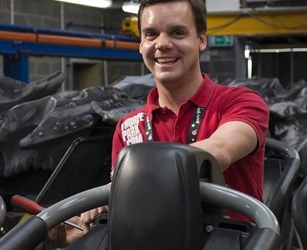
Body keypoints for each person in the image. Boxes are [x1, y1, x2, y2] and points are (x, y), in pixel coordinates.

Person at [48, 0, 269, 246]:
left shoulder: (240, 102)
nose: (162, 44)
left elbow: (221, 150)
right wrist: (90, 234)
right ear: (141, 45)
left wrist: (125, 186)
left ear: (202, 40)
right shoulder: (128, 127)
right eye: (151, 34)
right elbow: (134, 215)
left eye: (177, 32)